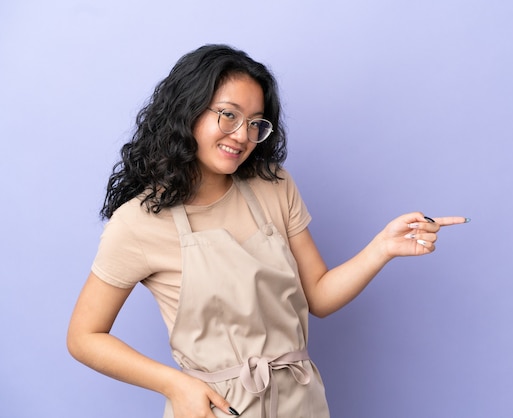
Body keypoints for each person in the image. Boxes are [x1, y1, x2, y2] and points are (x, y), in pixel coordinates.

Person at [66, 44, 469, 418]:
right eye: (228, 115)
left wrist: (382, 247)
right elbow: (84, 336)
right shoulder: (140, 221)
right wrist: (174, 385)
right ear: (187, 111)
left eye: (255, 122)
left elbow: (320, 297)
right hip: (218, 408)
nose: (242, 135)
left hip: (301, 400)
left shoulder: (273, 184)